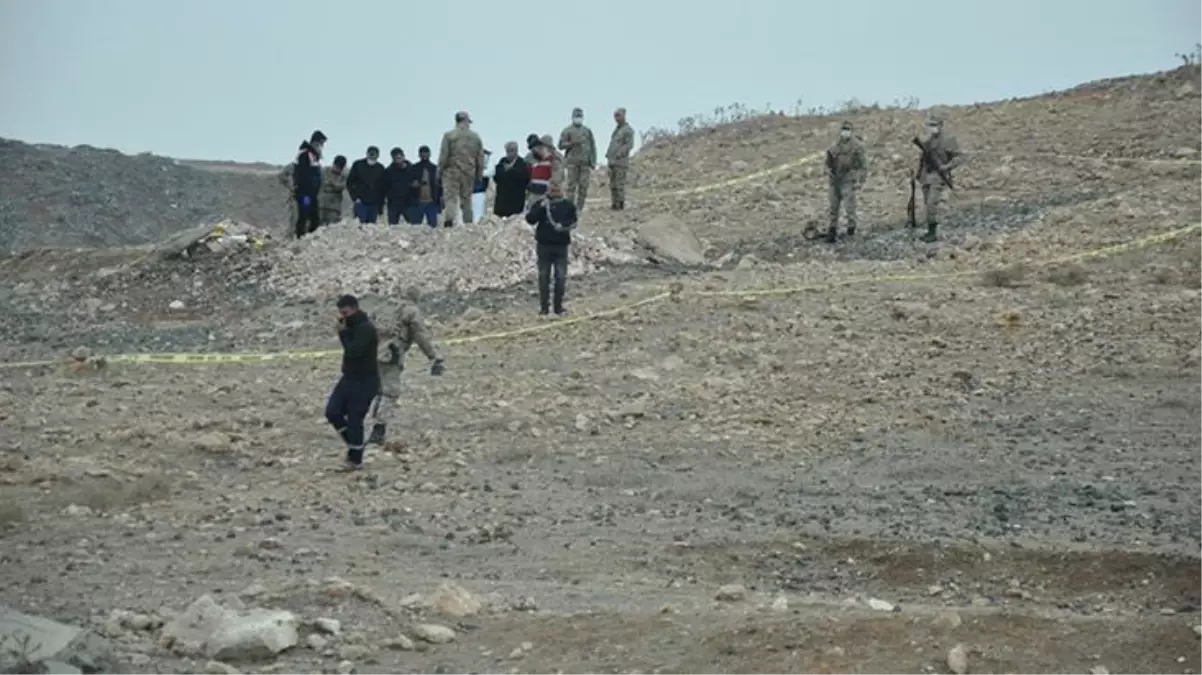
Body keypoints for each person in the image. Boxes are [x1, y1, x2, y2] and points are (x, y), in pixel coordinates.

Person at [369, 287, 445, 445]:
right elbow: (421, 335)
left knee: (379, 390)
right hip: (391, 354)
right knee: (390, 392)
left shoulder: (384, 306)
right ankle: (378, 431)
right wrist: (434, 356)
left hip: (371, 353)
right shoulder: (411, 311)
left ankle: (370, 424)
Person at [325, 294, 380, 471]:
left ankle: (355, 459)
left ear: (354, 309)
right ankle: (354, 445)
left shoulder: (365, 328)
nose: (343, 317)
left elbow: (353, 352)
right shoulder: (352, 327)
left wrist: (342, 334)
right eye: (340, 314)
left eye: (345, 313)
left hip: (365, 381)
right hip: (348, 378)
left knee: (355, 419)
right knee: (332, 411)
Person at [525, 181, 578, 316]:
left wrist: (563, 225)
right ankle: (544, 308)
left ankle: (558, 307)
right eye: (552, 190)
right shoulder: (542, 204)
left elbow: (574, 221)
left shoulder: (567, 205)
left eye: (556, 190)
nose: (554, 193)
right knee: (543, 277)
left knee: (560, 277)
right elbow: (530, 219)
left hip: (561, 246)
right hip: (544, 245)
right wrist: (540, 208)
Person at [915, 115, 963, 242]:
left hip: (938, 176)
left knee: (931, 203)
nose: (932, 128)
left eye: (934, 125)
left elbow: (959, 157)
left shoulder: (948, 140)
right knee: (927, 204)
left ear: (941, 125)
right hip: (926, 176)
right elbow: (923, 158)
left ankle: (932, 233)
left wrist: (946, 167)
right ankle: (930, 230)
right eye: (929, 125)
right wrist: (919, 174)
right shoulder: (928, 140)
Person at [438, 111, 484, 227]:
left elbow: (444, 155)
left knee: (450, 198)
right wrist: (479, 175)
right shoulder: (475, 137)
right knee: (467, 199)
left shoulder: (449, 135)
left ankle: (449, 222)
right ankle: (468, 224)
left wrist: (439, 171)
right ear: (466, 121)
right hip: (469, 172)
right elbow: (480, 158)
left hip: (451, 171)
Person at [824, 121, 868, 242]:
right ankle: (832, 231)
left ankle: (851, 230)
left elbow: (863, 166)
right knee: (833, 207)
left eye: (847, 129)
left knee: (850, 207)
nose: (845, 132)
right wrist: (827, 170)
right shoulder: (835, 146)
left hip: (848, 179)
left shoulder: (857, 147)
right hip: (834, 180)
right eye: (843, 129)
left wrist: (860, 180)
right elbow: (827, 162)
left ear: (851, 131)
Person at [557, 108, 597, 210]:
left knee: (584, 186)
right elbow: (560, 145)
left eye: (580, 116)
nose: (578, 118)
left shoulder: (587, 131)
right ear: (572, 117)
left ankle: (580, 208)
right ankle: (569, 208)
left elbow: (593, 147)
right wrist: (571, 143)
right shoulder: (567, 131)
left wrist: (593, 161)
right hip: (572, 163)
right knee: (571, 186)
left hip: (585, 163)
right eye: (576, 116)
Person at [293, 130, 327, 238]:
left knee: (314, 217)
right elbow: (303, 174)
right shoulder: (305, 154)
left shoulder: (313, 155)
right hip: (305, 193)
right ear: (315, 142)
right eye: (321, 143)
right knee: (304, 214)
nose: (321, 146)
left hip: (312, 193)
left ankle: (312, 238)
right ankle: (300, 238)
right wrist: (307, 188)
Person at [605, 108, 636, 210]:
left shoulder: (627, 130)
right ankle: (614, 203)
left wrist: (619, 154)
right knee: (612, 184)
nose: (616, 118)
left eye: (618, 115)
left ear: (624, 115)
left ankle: (620, 204)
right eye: (615, 116)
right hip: (612, 161)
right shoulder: (617, 130)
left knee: (619, 183)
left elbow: (629, 145)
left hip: (620, 161)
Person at [347, 146, 386, 223]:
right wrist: (355, 198)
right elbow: (349, 182)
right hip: (361, 203)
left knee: (371, 229)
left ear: (378, 155)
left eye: (374, 154)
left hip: (374, 204)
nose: (372, 155)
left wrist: (380, 207)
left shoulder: (380, 168)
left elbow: (383, 188)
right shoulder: (358, 165)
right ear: (367, 154)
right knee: (359, 227)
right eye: (370, 153)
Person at [378, 148, 415, 225]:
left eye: (399, 157)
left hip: (409, 202)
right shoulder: (388, 171)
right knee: (392, 227)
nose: (398, 160)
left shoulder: (412, 169)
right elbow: (383, 187)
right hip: (393, 203)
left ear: (403, 156)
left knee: (414, 225)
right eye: (395, 158)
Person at [493, 141, 530, 217]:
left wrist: (511, 170)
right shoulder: (502, 161)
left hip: (515, 201)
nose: (510, 153)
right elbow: (496, 176)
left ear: (516, 150)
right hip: (502, 201)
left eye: (512, 150)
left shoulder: (522, 163)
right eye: (508, 151)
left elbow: (524, 178)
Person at [407, 145, 442, 227]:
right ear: (419, 155)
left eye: (426, 153)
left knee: (433, 228)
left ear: (429, 154)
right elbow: (407, 184)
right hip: (417, 202)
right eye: (422, 153)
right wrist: (412, 185)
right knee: (415, 227)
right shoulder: (413, 168)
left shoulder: (435, 169)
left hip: (432, 202)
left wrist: (440, 200)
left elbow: (440, 186)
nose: (424, 155)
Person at [319, 155, 349, 225]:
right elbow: (322, 183)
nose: (337, 169)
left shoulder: (344, 176)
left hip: (334, 207)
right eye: (336, 166)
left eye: (339, 167)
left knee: (331, 227)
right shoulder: (325, 171)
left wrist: (332, 184)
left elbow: (340, 186)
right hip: (321, 205)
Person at [526, 139, 554, 207]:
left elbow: (556, 181)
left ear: (541, 148)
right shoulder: (536, 164)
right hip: (534, 197)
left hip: (545, 198)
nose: (533, 153)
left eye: (534, 150)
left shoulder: (553, 161)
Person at [471, 149, 492, 224]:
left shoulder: (484, 169)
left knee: (478, 217)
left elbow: (489, 173)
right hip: (472, 193)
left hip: (480, 193)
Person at [276, 160, 297, 232]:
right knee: (295, 218)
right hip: (297, 197)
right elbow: (281, 175)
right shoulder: (295, 165)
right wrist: (291, 187)